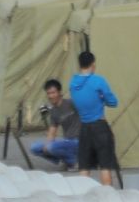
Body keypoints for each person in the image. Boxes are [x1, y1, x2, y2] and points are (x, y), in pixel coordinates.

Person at [68, 51, 120, 188]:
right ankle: (109, 198)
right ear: (93, 64)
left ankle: (84, 200)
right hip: (100, 127)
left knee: (84, 166)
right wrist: (102, 98)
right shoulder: (98, 81)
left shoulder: (73, 83)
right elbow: (113, 102)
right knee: (105, 165)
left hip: (84, 128)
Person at [28, 78, 79, 171]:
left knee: (51, 147)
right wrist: (47, 145)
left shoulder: (71, 103)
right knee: (35, 148)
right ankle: (66, 160)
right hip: (67, 141)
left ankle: (74, 162)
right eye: (48, 93)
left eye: (53, 92)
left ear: (59, 92)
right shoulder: (54, 111)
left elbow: (87, 113)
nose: (51, 96)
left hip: (79, 141)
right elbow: (52, 132)